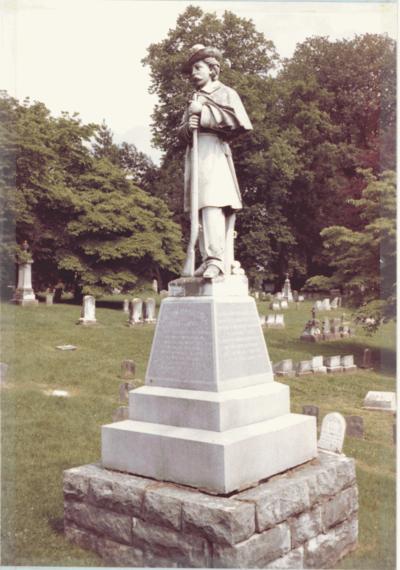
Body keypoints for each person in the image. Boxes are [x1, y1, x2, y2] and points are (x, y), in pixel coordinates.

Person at [179, 44, 253, 279]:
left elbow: (240, 122)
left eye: (198, 68)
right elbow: (181, 132)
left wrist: (204, 114)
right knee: (198, 209)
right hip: (196, 154)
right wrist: (187, 127)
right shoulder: (194, 98)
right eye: (192, 69)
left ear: (213, 69)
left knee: (212, 203)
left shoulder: (226, 93)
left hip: (214, 151)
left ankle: (216, 259)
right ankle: (205, 258)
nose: (194, 73)